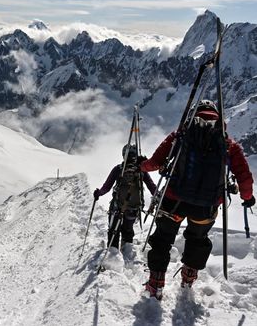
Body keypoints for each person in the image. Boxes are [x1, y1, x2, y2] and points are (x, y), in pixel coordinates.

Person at [139, 100, 254, 300]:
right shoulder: (228, 143)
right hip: (206, 207)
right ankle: (188, 280)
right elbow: (244, 176)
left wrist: (142, 167)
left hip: (174, 201)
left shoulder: (179, 136)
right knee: (198, 240)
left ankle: (155, 284)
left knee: (162, 240)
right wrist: (248, 197)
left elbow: (155, 163)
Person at [94, 144, 156, 252]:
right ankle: (127, 252)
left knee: (113, 229)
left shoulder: (118, 169)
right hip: (133, 207)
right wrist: (159, 196)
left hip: (117, 206)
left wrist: (98, 193)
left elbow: (107, 187)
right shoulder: (141, 170)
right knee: (128, 230)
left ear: (124, 155)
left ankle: (112, 254)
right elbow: (151, 186)